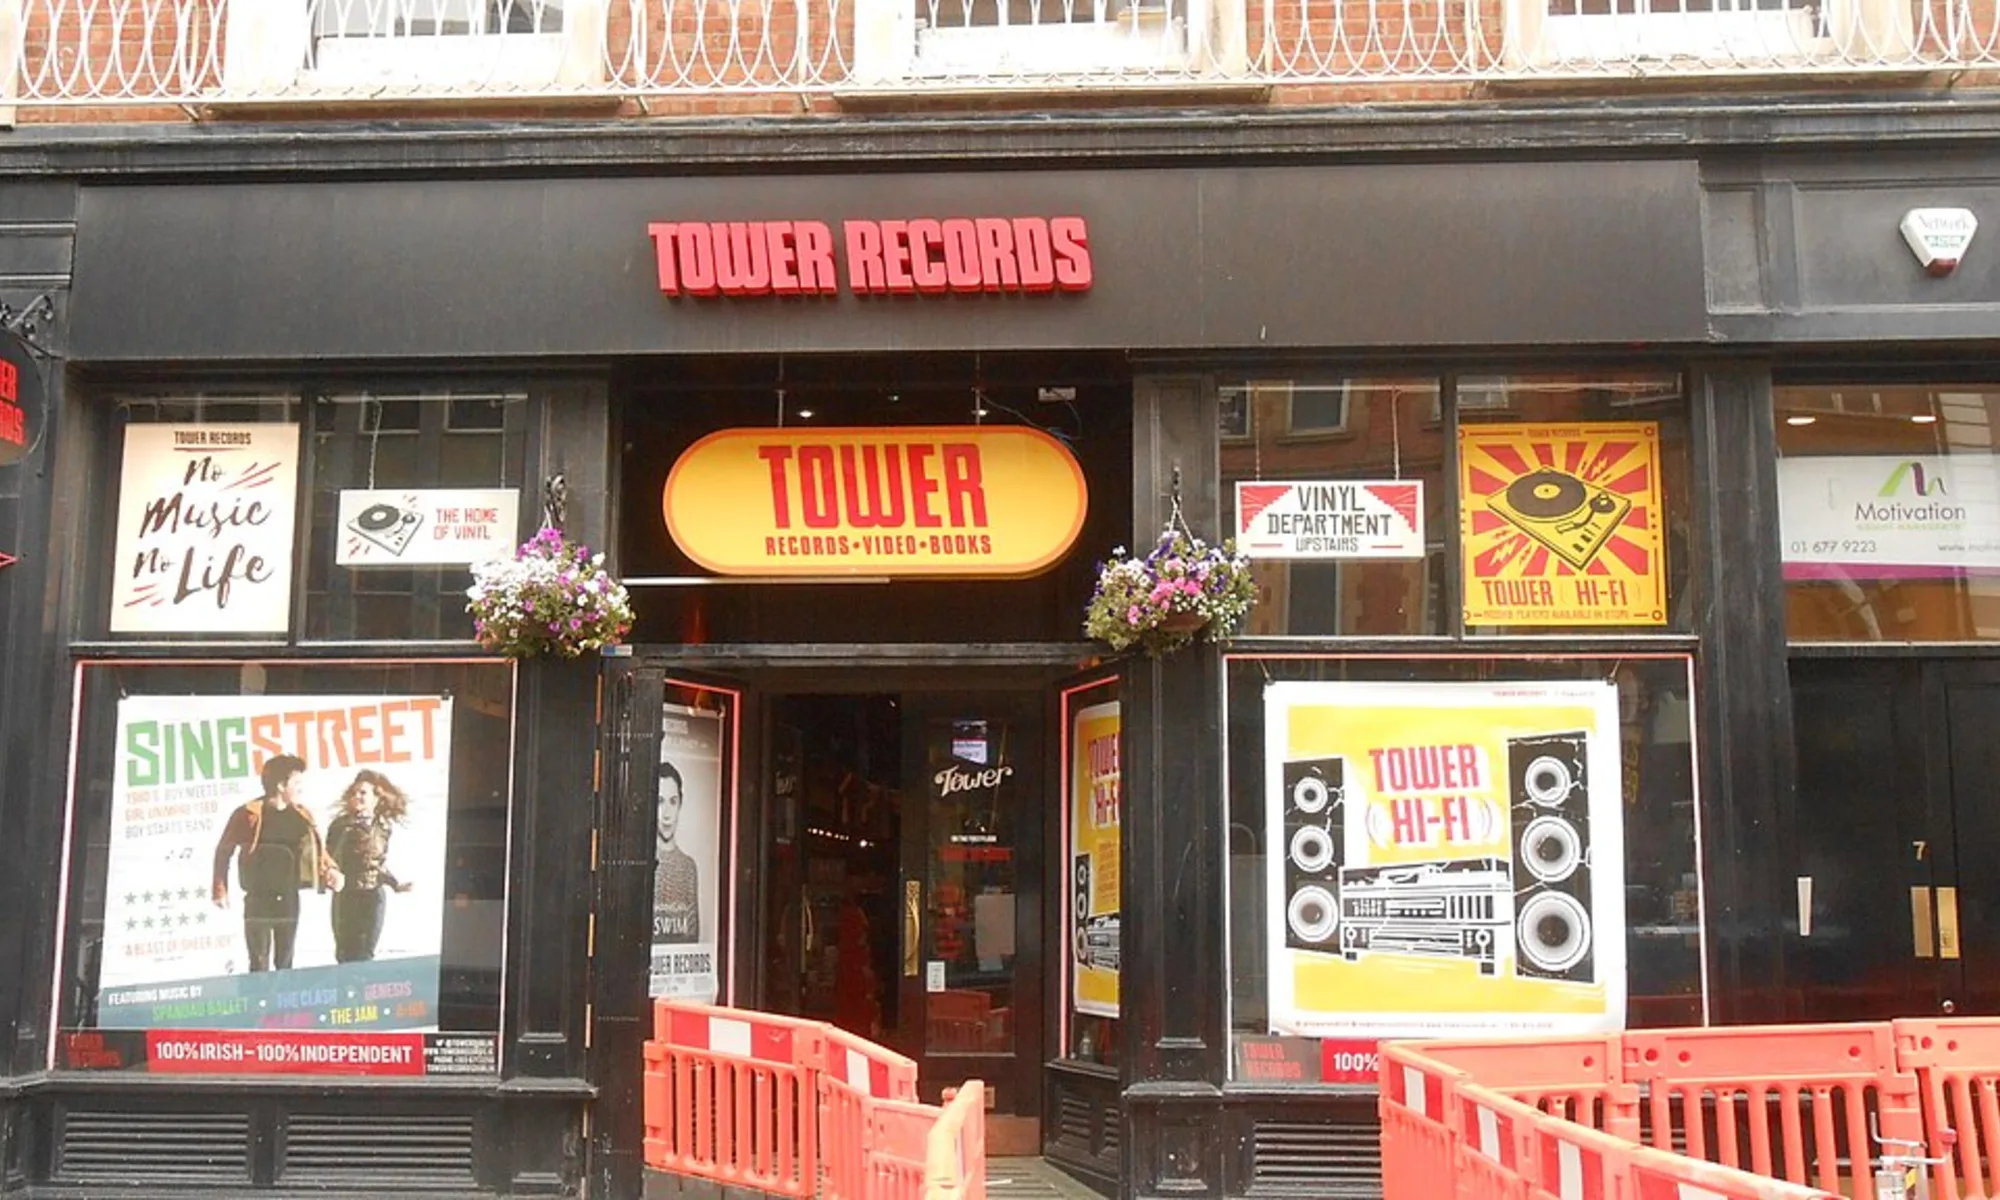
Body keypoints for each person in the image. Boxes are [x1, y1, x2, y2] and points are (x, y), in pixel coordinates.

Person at [212, 755, 339, 972]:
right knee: (258, 962)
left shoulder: (302, 815)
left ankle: (284, 995)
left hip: (289, 898)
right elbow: (224, 851)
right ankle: (260, 995)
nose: (301, 788)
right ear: (281, 785)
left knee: (285, 962)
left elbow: (318, 850)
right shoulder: (249, 813)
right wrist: (219, 889)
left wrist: (332, 870)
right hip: (258, 899)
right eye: (296, 783)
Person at [324, 770, 415, 964]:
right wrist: (331, 874)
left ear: (376, 798)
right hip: (346, 895)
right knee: (345, 953)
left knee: (366, 953)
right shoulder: (340, 825)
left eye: (363, 793)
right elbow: (326, 858)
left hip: (373, 896)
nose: (357, 797)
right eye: (354, 793)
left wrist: (395, 884)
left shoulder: (383, 827)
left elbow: (377, 863)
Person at [653, 760, 700, 944]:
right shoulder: (644, 863)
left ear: (680, 803)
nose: (667, 814)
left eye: (673, 802)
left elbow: (693, 936)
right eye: (660, 801)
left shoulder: (688, 867)